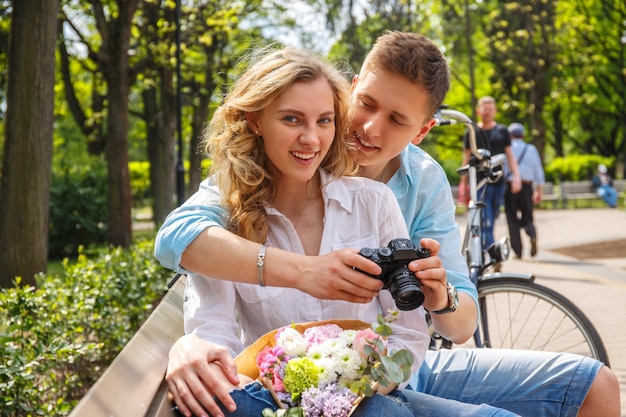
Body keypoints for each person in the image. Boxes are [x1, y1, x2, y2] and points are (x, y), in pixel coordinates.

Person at [156, 33, 620, 417]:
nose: (371, 129)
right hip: (308, 381)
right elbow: (179, 240)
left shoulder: (411, 186)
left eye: (396, 119)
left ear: (422, 131)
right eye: (366, 104)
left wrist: (439, 295)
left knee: (595, 383)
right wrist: (196, 339)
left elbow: (455, 325)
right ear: (351, 90)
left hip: (399, 368)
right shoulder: (252, 184)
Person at [460, 96, 522, 251]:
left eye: (490, 109)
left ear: (495, 111)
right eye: (484, 109)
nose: (487, 112)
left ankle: (486, 248)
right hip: (479, 182)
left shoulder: (502, 131)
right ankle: (492, 250)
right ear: (478, 110)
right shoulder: (473, 131)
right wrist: (464, 184)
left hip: (498, 182)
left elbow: (510, 156)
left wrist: (516, 177)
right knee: (485, 218)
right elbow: (466, 158)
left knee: (492, 218)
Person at [503, 123, 544, 258]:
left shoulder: (506, 149)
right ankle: (531, 233)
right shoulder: (531, 149)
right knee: (528, 215)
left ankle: (518, 251)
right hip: (527, 186)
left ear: (509, 136)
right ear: (523, 135)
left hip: (510, 187)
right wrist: (539, 190)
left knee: (512, 219)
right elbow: (538, 170)